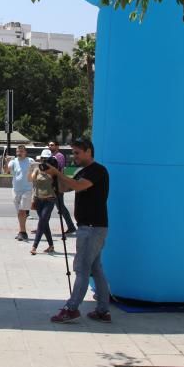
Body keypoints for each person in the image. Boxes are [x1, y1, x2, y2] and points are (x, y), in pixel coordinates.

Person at [47, 137, 111, 323]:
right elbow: (65, 188)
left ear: (88, 151)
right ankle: (103, 310)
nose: (74, 156)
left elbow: (77, 186)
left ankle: (72, 308)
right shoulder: (83, 171)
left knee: (81, 268)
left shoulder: (97, 171)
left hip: (92, 228)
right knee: (95, 268)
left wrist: (58, 174)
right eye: (73, 152)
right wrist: (53, 174)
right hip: (91, 227)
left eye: (77, 153)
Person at [5, 145, 34, 242]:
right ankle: (22, 231)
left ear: (25, 152)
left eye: (21, 151)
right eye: (18, 151)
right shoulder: (13, 161)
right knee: (19, 212)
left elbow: (35, 172)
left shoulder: (30, 161)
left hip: (27, 189)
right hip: (16, 190)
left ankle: (23, 232)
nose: (19, 153)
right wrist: (6, 162)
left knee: (22, 211)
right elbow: (6, 171)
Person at [30, 156, 58, 255]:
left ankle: (34, 246)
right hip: (38, 200)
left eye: (46, 160)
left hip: (49, 200)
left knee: (42, 221)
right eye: (43, 160)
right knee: (44, 223)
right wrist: (32, 168)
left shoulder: (54, 172)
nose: (44, 162)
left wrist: (52, 172)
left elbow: (59, 186)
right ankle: (51, 246)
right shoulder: (38, 170)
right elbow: (31, 180)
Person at [48, 140, 77, 236]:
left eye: (52, 145)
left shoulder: (59, 156)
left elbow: (58, 168)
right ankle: (43, 225)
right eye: (49, 145)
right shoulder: (51, 156)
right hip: (51, 184)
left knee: (60, 206)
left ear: (57, 146)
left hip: (57, 184)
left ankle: (71, 226)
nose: (50, 146)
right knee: (50, 206)